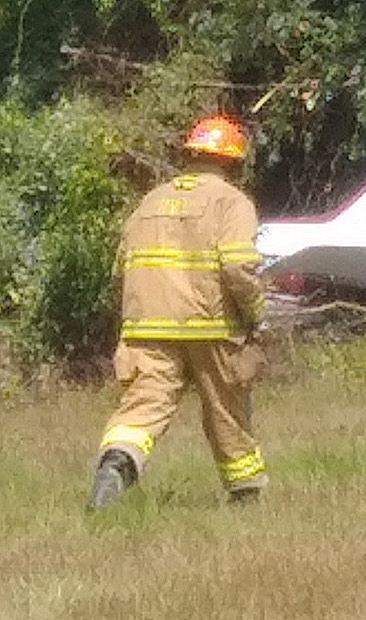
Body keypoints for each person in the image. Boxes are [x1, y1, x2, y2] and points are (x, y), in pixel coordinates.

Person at [87, 115, 269, 510]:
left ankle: (115, 466)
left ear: (189, 155)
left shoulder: (149, 203)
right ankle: (245, 496)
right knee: (227, 412)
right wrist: (255, 312)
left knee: (141, 409)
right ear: (233, 162)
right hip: (212, 327)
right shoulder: (231, 202)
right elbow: (238, 267)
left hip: (147, 330)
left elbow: (123, 266)